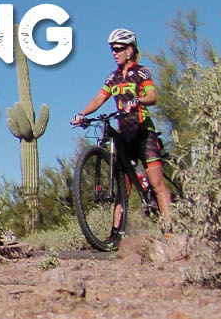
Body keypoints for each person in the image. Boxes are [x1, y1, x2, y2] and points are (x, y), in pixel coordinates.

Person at [70, 28, 174, 230]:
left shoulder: (142, 72)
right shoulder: (113, 78)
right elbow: (100, 98)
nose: (114, 53)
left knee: (157, 184)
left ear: (130, 50)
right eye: (112, 49)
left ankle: (171, 231)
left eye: (118, 48)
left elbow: (152, 96)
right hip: (125, 136)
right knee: (122, 190)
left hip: (144, 134)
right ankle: (115, 234)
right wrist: (83, 114)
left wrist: (138, 100)